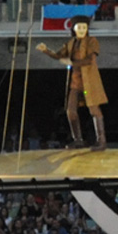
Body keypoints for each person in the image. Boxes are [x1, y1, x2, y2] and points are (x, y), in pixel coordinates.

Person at [36, 16, 107, 150]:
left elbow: (89, 60)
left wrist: (72, 63)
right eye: (79, 27)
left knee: (94, 109)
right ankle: (78, 140)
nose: (81, 30)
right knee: (71, 111)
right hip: (76, 83)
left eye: (84, 28)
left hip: (88, 83)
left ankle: (101, 141)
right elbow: (59, 55)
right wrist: (46, 50)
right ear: (73, 29)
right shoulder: (71, 43)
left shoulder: (92, 41)